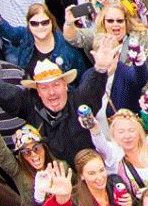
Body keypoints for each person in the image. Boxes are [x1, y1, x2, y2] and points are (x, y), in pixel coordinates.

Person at [0, 39, 116, 167]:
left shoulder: (79, 100)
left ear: (65, 85)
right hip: (57, 177)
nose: (51, 93)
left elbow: (92, 88)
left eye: (56, 85)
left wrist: (100, 69)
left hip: (90, 172)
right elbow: (8, 94)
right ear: (38, 92)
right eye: (44, 88)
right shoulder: (31, 105)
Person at [35, 148, 133, 206]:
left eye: (101, 170)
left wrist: (131, 203)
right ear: (81, 175)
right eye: (91, 173)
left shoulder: (115, 182)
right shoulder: (75, 199)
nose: (99, 177)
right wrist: (60, 201)